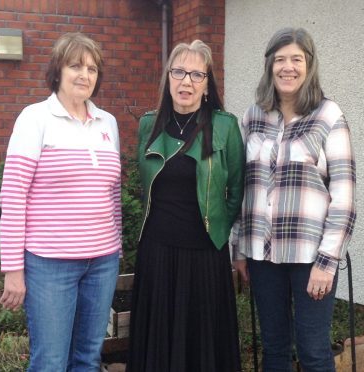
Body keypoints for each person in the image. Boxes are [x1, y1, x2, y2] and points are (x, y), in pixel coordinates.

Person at [231, 27, 356, 372]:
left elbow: (344, 197)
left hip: (309, 258)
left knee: (313, 350)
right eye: (280, 59)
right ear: (270, 65)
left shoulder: (328, 116)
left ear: (309, 65)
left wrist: (327, 261)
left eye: (296, 59)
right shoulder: (252, 117)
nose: (288, 67)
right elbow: (244, 186)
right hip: (262, 254)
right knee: (273, 349)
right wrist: (239, 248)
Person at [0, 32, 121, 372]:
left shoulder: (107, 122)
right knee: (50, 361)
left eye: (92, 68)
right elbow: (13, 196)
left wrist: (117, 248)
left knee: (88, 357)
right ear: (58, 71)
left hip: (102, 263)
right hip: (49, 265)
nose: (85, 75)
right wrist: (13, 269)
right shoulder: (34, 119)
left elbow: (113, 194)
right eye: (76, 66)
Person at [126, 40, 245, 372]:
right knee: (158, 343)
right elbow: (145, 186)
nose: (186, 81)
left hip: (205, 253)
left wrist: (220, 232)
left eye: (196, 74)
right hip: (157, 252)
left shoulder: (225, 126)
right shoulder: (149, 124)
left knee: (202, 343)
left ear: (207, 84)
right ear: (168, 78)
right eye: (179, 72)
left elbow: (237, 190)